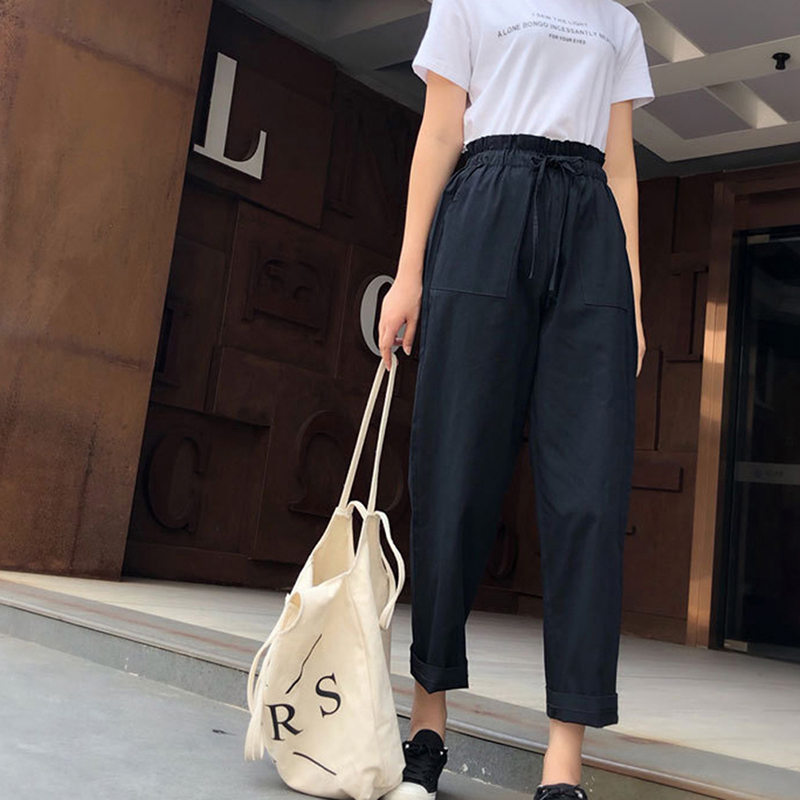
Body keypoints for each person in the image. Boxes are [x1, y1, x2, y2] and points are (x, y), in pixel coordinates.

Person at [377, 1, 655, 798]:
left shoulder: (619, 22)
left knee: (590, 496)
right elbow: (440, 132)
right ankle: (428, 723)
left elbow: (621, 166)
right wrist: (409, 273)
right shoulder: (468, 1)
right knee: (455, 472)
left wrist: (632, 300)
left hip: (590, 224)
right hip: (485, 205)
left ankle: (563, 759)